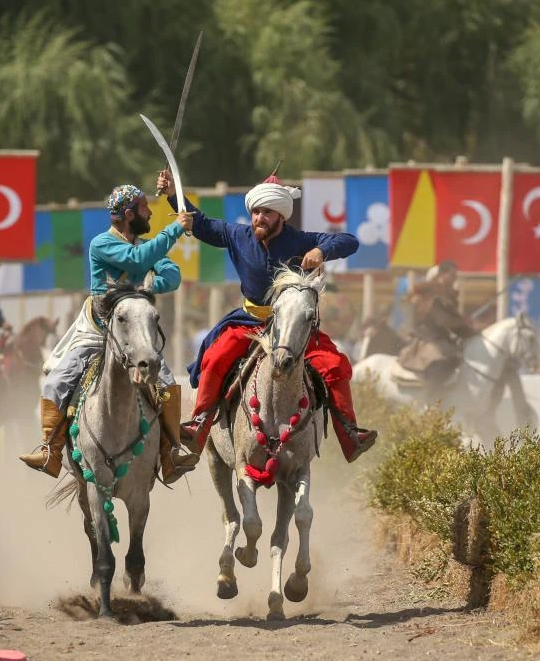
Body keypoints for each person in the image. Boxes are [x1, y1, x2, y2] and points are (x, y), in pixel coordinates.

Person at [158, 168, 378, 464]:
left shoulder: (299, 239)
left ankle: (350, 436)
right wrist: (173, 195)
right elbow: (201, 224)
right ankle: (199, 425)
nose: (259, 218)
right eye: (256, 211)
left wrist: (321, 250)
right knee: (214, 357)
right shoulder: (237, 235)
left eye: (267, 212)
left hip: (293, 327)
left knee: (335, 364)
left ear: (281, 217)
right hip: (250, 322)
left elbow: (350, 241)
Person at [18, 184, 198, 483]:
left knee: (166, 381)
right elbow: (138, 261)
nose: (150, 211)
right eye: (144, 208)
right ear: (129, 214)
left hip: (133, 334)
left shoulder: (145, 245)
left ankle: (171, 453)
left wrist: (152, 286)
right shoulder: (102, 243)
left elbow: (173, 274)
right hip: (97, 332)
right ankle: (51, 450)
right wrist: (174, 229)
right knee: (56, 381)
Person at [398, 260, 476, 389]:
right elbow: (443, 320)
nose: (454, 278)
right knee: (441, 364)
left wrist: (471, 331)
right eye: (452, 275)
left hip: (441, 338)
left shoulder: (448, 295)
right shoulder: (432, 294)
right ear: (442, 275)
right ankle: (431, 402)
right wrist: (462, 324)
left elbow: (455, 322)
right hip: (426, 338)